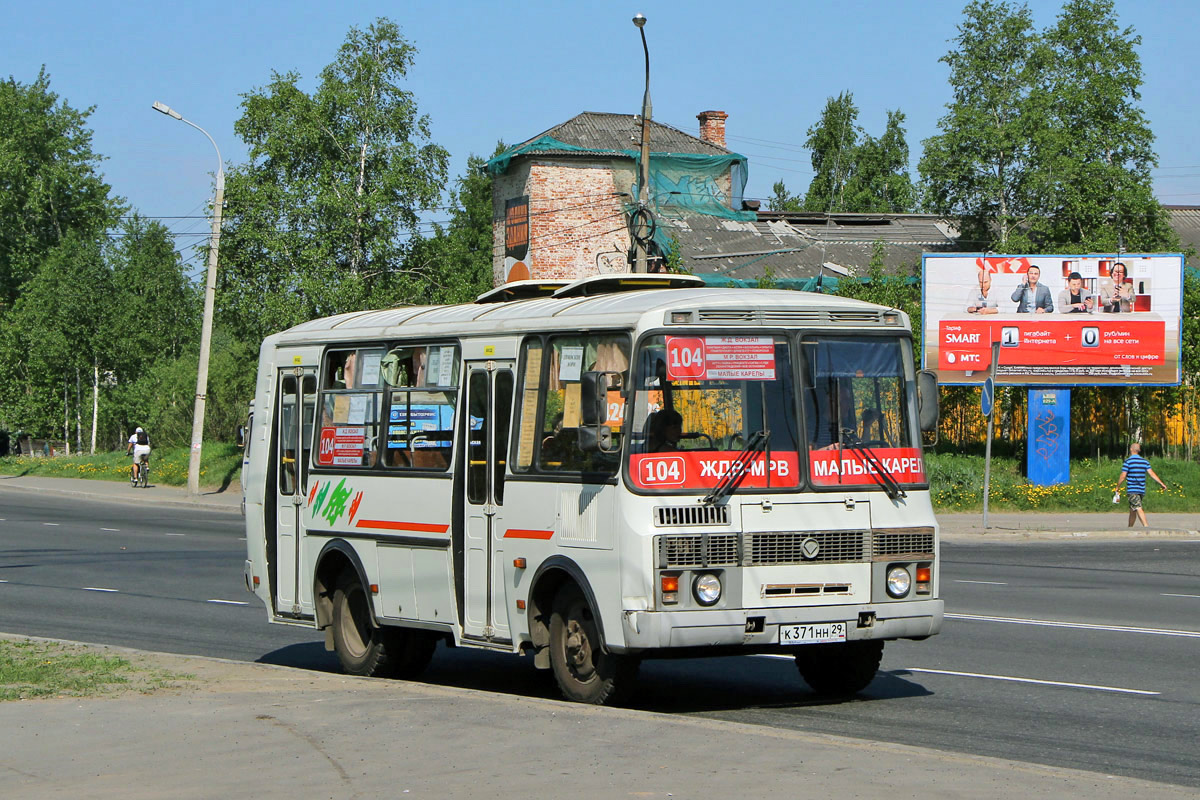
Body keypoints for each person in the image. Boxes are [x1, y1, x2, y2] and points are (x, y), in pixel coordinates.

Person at [1116, 442, 1167, 528]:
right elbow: (1152, 474)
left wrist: (1117, 486)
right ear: (1139, 450)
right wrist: (1161, 483)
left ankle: (1146, 526)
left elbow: (1123, 475)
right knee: (1133, 509)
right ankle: (1130, 527)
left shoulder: (1128, 461)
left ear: (1131, 449)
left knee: (1138, 507)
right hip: (1141, 489)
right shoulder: (1144, 462)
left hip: (1133, 489)